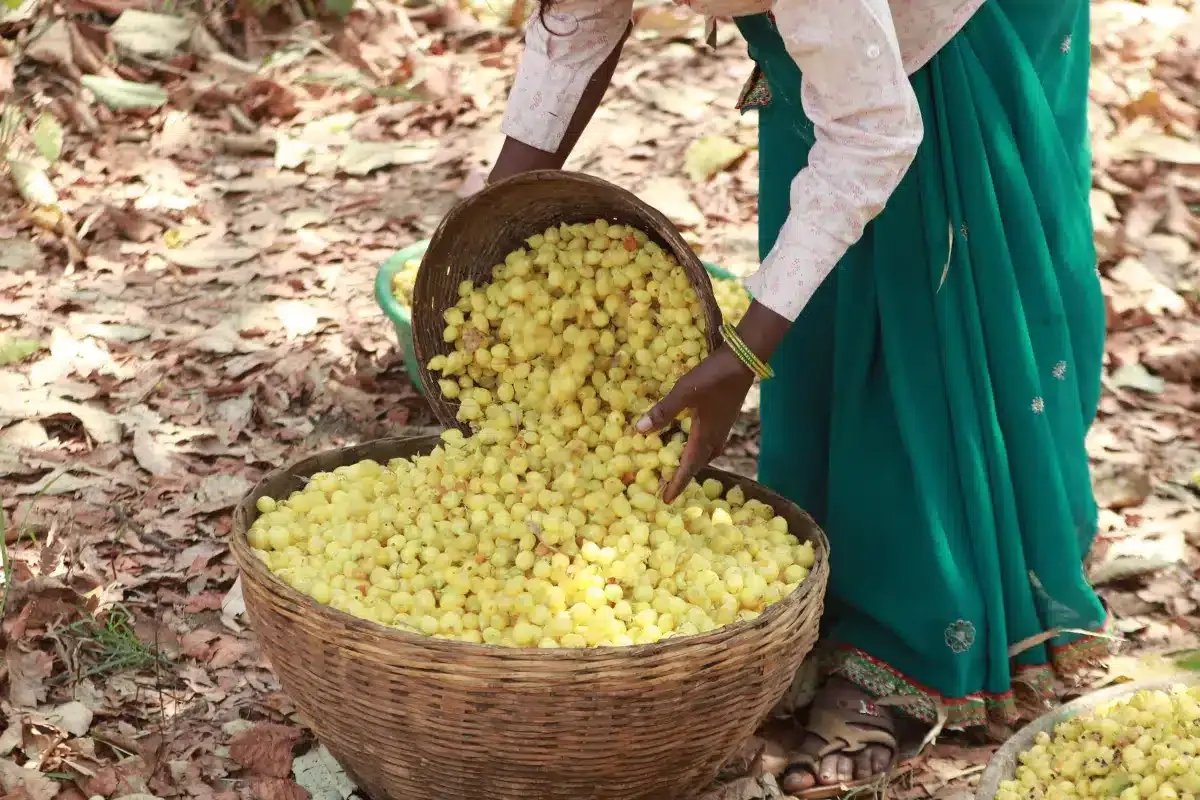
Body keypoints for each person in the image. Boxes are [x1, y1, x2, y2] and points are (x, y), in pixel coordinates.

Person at [487, 0, 1112, 795]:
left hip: (955, 27)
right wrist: (489, 215)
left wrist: (745, 349)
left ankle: (912, 638)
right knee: (825, 305)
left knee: (935, 301)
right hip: (841, 29)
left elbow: (874, 132)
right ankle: (822, 592)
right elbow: (581, 18)